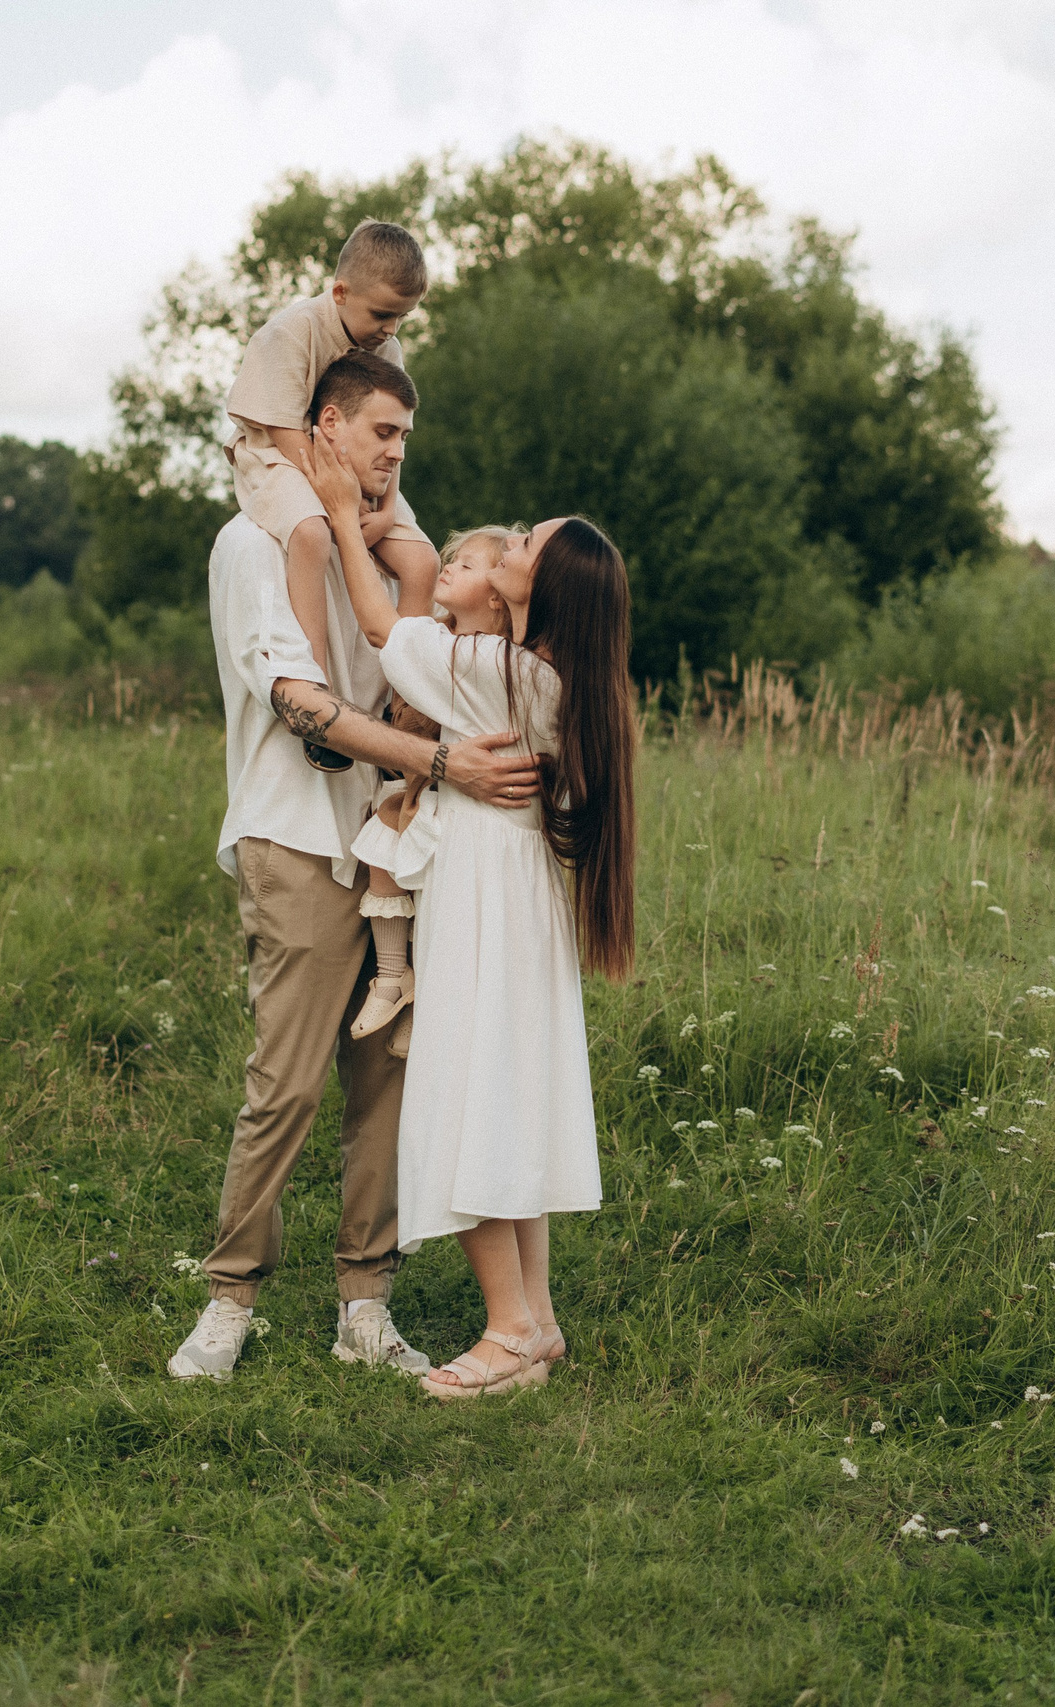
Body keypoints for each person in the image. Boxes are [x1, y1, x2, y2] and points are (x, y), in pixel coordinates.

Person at [170, 345, 540, 1385]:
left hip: (405, 849)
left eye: (404, 440)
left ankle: (363, 1307)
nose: (393, 456)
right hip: (293, 837)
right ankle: (229, 1300)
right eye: (380, 432)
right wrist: (439, 759)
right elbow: (306, 711)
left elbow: (433, 660)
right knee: (284, 1085)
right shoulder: (256, 543)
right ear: (324, 429)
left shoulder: (393, 547)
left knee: (386, 1088)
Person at [296, 432, 639, 1401]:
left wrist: (335, 511)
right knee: (509, 1096)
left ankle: (506, 1330)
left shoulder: (500, 672)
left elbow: (380, 629)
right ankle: (536, 1321)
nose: (512, 540)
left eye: (527, 541)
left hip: (487, 897)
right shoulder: (546, 679)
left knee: (470, 1094)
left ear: (545, 585)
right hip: (516, 894)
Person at [224, 218, 439, 761]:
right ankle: (317, 690)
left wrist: (385, 510)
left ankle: (406, 708)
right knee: (312, 536)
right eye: (382, 313)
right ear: (341, 292)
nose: (390, 329)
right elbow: (281, 429)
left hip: (356, 470)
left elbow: (394, 440)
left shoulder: (386, 350)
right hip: (280, 457)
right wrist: (338, 502)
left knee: (421, 565)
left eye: (402, 317)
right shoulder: (291, 331)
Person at [343, 525, 526, 1055]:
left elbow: (385, 631)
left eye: (467, 566)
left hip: (457, 807)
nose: (450, 567)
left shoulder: (484, 656)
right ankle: (397, 979)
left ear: (496, 596)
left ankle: (406, 984)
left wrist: (340, 512)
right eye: (454, 559)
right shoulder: (450, 640)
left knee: (424, 897)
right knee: (390, 859)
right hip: (434, 792)